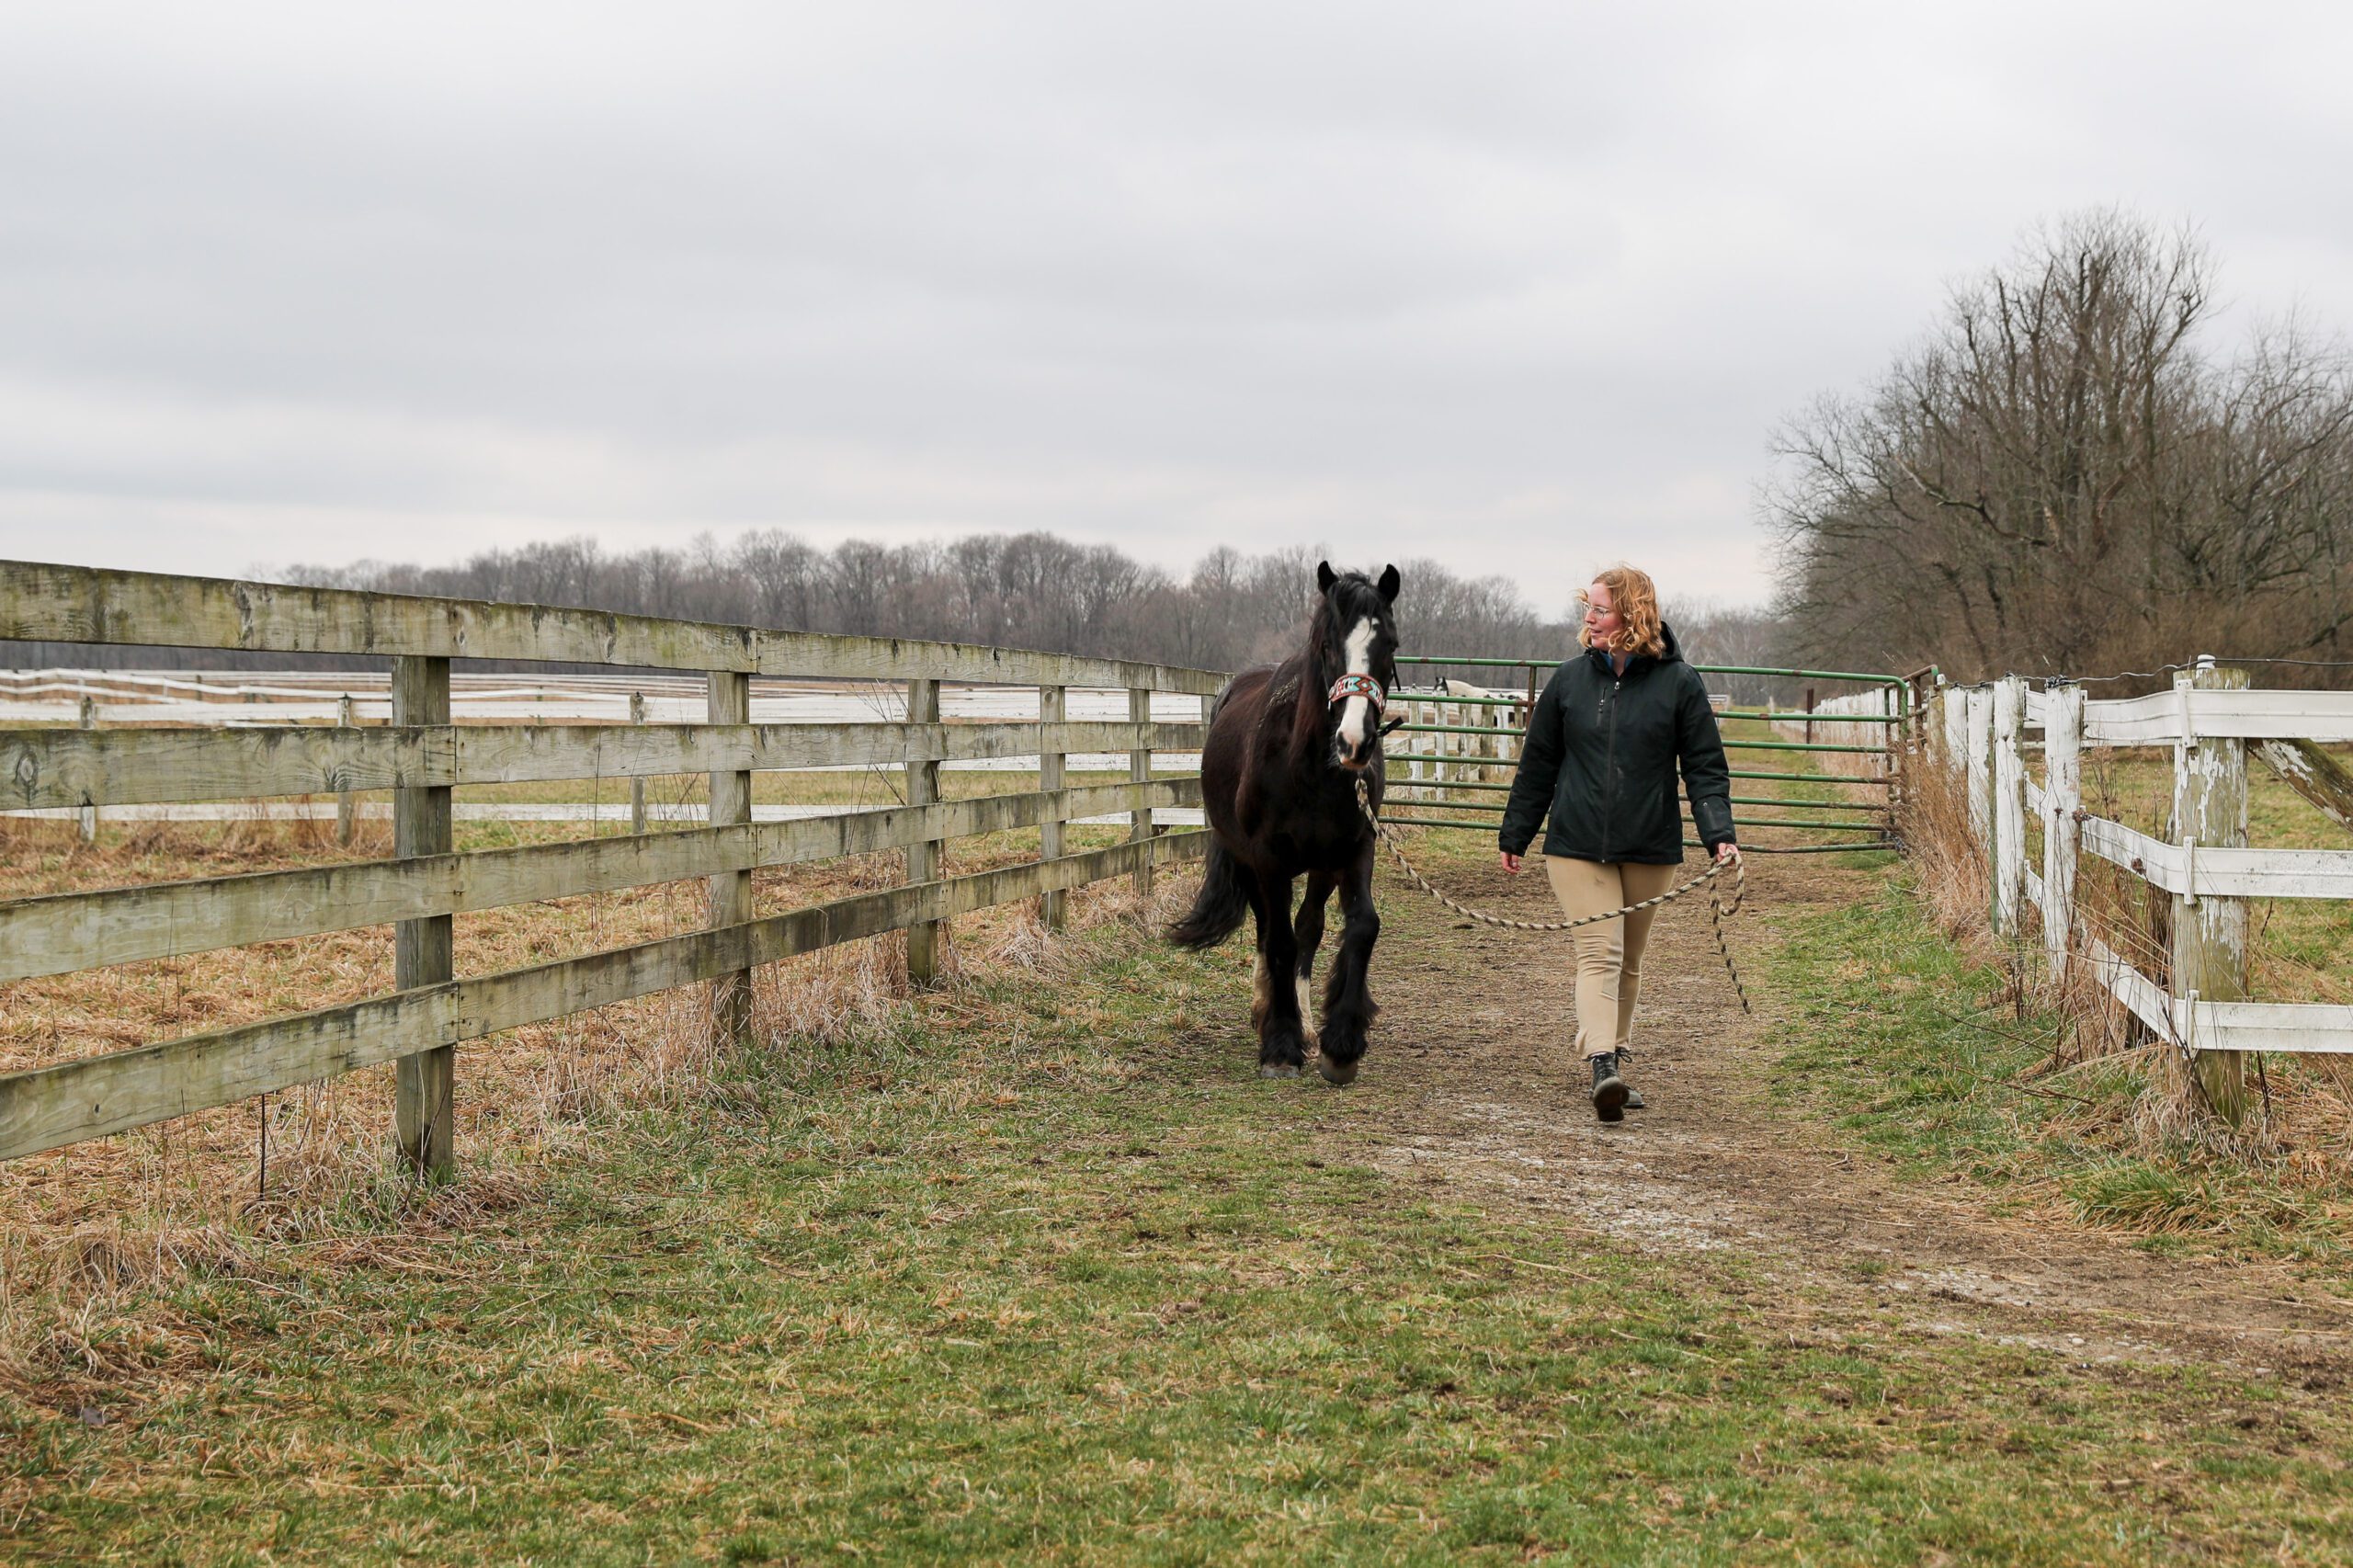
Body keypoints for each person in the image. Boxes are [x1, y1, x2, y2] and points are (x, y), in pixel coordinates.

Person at [1496, 565, 1738, 1123]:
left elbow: (1705, 768)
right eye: (1588, 608)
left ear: (1633, 615)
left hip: (1650, 844)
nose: (1589, 618)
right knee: (1598, 953)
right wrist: (1517, 832)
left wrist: (1719, 835)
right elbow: (1538, 765)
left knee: (1629, 959)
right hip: (1576, 843)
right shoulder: (1568, 682)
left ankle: (1617, 1056)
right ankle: (1602, 1064)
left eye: (1600, 609)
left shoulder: (1681, 684)